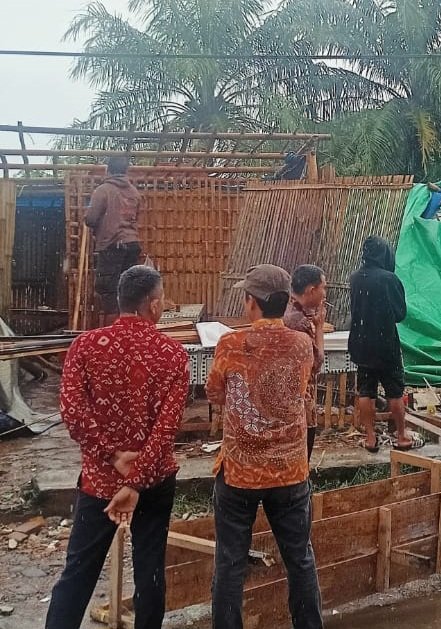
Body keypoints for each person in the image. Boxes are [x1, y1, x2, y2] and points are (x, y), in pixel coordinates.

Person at [45, 266, 189, 629]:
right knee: (150, 572)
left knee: (78, 573)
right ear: (153, 305)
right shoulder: (172, 354)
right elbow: (166, 427)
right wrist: (137, 480)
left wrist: (112, 456)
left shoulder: (85, 346)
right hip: (153, 481)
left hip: (100, 482)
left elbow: (72, 413)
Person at [206, 264, 322, 629]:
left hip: (240, 473)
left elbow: (215, 393)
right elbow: (303, 387)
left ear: (251, 302)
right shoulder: (302, 344)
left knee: (230, 563)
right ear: (286, 300)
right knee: (300, 559)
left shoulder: (230, 344)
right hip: (290, 471)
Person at [348, 235, 421, 452]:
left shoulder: (355, 278)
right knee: (394, 391)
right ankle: (402, 436)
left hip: (361, 344)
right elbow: (400, 314)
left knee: (366, 391)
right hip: (385, 344)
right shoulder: (389, 279)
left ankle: (371, 438)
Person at [85, 155, 144, 327]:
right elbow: (136, 217)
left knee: (109, 291)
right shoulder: (134, 192)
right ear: (126, 171)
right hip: (132, 244)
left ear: (108, 170)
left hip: (112, 245)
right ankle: (128, 331)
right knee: (127, 292)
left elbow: (91, 218)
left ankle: (113, 333)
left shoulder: (103, 190)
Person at [286, 264, 328, 462]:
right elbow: (316, 363)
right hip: (299, 400)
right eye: (323, 288)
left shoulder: (287, 311)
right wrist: (319, 327)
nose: (324, 293)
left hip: (286, 399)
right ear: (312, 290)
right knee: (300, 460)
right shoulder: (299, 322)